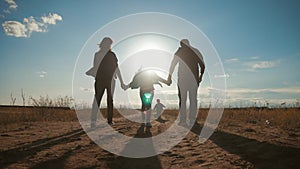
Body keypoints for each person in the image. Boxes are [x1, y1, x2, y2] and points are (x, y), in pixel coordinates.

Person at [86, 37, 125, 128]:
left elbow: (116, 68)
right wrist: (91, 72)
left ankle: (107, 120)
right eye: (107, 44)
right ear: (103, 44)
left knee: (107, 100)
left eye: (109, 44)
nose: (108, 46)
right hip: (103, 80)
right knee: (98, 99)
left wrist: (122, 82)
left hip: (107, 80)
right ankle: (95, 121)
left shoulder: (109, 55)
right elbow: (96, 67)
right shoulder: (102, 55)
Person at [167, 39, 205, 127]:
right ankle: (191, 120)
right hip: (192, 79)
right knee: (192, 99)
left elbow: (173, 64)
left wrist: (169, 77)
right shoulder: (195, 51)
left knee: (183, 99)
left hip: (184, 80)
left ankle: (184, 120)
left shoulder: (180, 51)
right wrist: (200, 77)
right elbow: (202, 66)